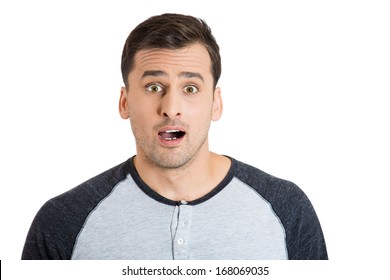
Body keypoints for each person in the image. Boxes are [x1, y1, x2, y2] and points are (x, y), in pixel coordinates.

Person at [22, 13, 328, 260]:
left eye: (191, 89)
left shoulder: (287, 208)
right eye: (154, 87)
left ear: (216, 103)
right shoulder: (63, 221)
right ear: (125, 102)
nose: (171, 109)